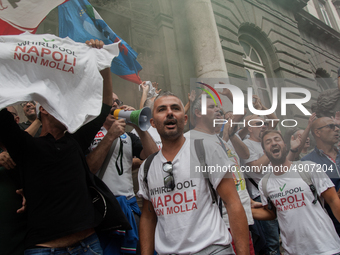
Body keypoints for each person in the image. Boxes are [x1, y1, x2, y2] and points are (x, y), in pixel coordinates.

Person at [0, 39, 115, 255]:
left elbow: (105, 103)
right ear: (43, 109)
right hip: (44, 250)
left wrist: (103, 62)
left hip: (89, 246)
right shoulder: (24, 146)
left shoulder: (76, 140)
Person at [138, 91, 249, 255]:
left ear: (184, 119)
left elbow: (233, 203)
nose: (169, 112)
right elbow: (148, 217)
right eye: (162, 109)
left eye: (175, 108)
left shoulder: (207, 149)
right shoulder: (146, 167)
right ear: (152, 123)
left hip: (212, 250)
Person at [86, 92, 158, 254]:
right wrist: (110, 136)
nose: (114, 105)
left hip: (128, 207)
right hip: (101, 209)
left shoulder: (129, 136)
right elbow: (88, 169)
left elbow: (153, 157)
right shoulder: (88, 133)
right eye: (109, 102)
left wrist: (139, 128)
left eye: (117, 101)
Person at [255, 130, 340, 255]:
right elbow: (272, 213)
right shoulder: (264, 183)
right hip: (293, 251)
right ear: (264, 152)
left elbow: (333, 200)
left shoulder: (309, 168)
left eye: (277, 139)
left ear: (285, 145)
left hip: (326, 248)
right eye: (268, 142)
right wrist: (245, 209)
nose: (273, 143)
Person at [191, 94, 254, 254]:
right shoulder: (192, 141)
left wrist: (246, 198)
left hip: (241, 216)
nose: (218, 110)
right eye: (212, 107)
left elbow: (244, 155)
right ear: (198, 113)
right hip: (221, 221)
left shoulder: (223, 140)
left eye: (218, 108)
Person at [301, 117, 340, 236]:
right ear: (317, 132)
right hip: (331, 226)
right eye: (331, 126)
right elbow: (309, 198)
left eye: (337, 126)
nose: (337, 129)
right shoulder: (307, 162)